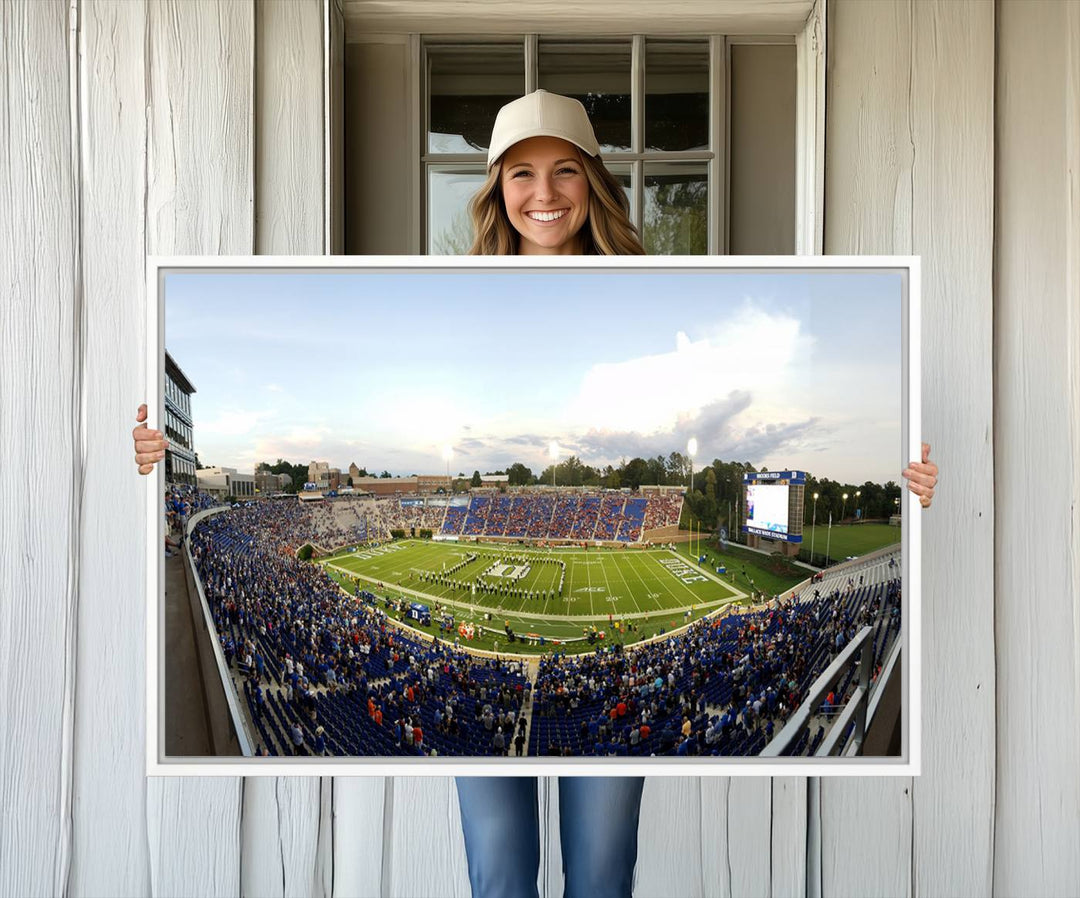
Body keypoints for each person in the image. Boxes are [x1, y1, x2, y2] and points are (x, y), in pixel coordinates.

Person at [132, 88, 940, 898]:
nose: (544, 193)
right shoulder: (461, 297)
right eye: (521, 174)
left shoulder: (653, 289)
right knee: (501, 875)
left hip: (601, 702)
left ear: (592, 181)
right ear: (496, 189)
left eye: (563, 171)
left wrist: (911, 487)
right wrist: (157, 459)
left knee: (599, 874)